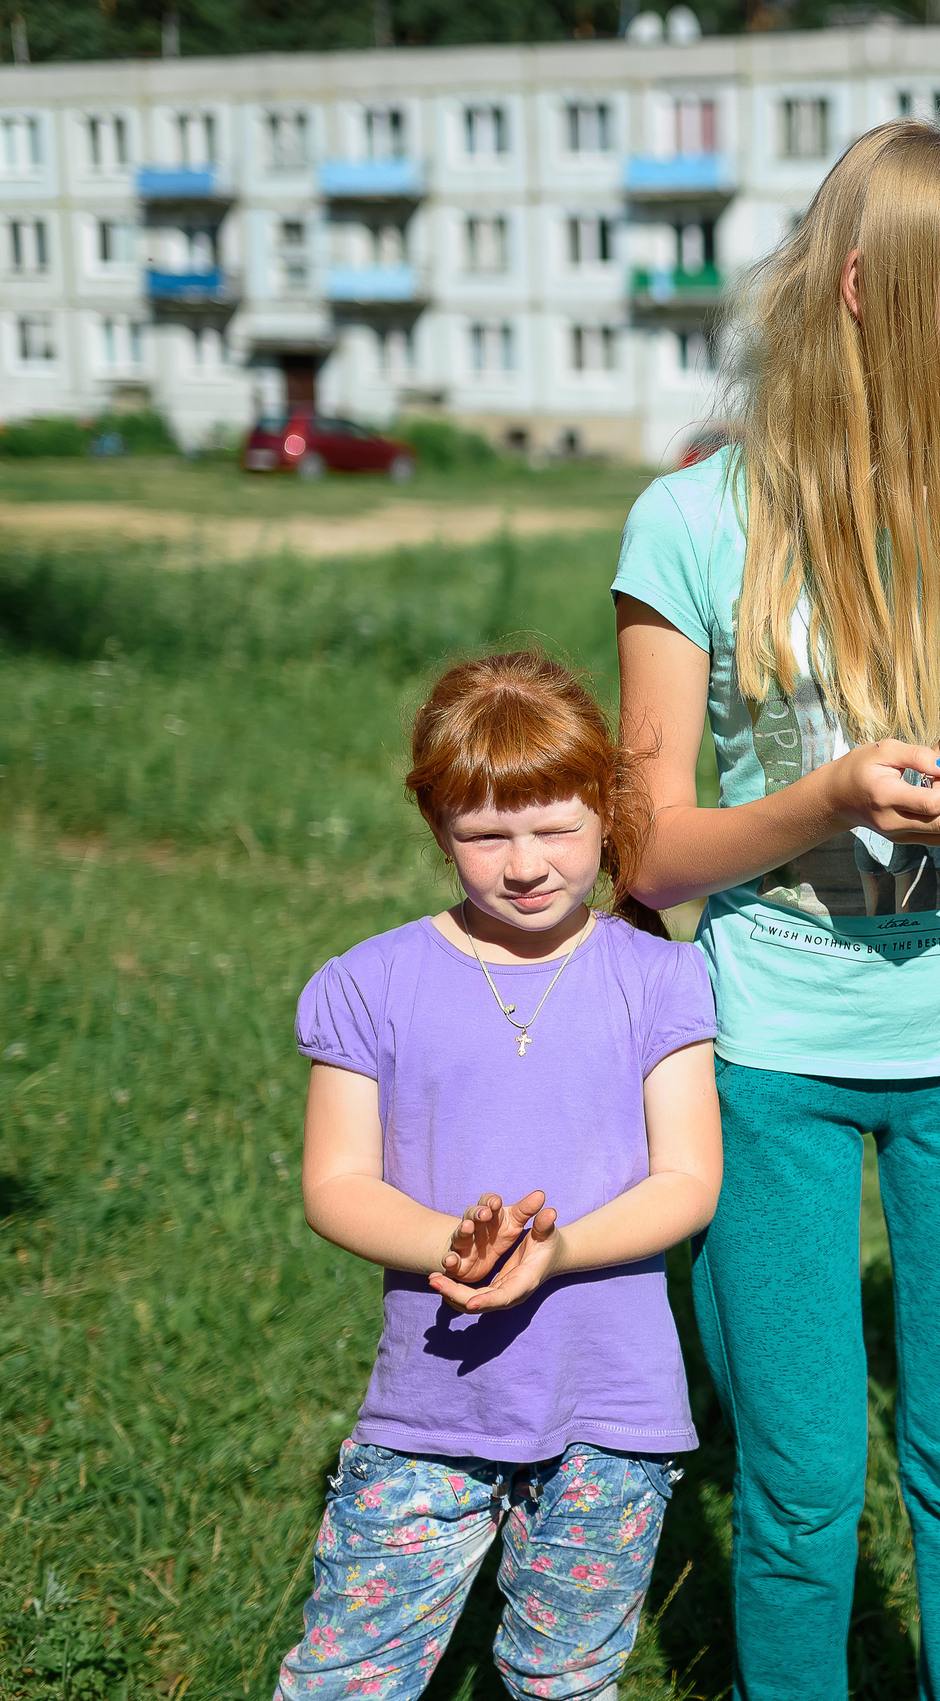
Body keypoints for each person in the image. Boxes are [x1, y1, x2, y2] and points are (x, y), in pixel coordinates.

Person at [610, 121, 940, 1699]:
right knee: (804, 1486)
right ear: (866, 293)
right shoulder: (689, 523)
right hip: (770, 1053)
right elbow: (649, 854)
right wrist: (823, 799)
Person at [276, 651, 722, 1701]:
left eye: (556, 827)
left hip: (613, 1411)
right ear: (438, 828)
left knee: (563, 1679)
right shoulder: (366, 982)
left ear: (608, 815)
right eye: (484, 834)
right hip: (431, 1405)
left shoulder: (661, 978)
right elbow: (335, 1181)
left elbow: (687, 1178)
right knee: (349, 1673)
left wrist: (553, 1250)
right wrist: (455, 1244)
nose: (525, 862)